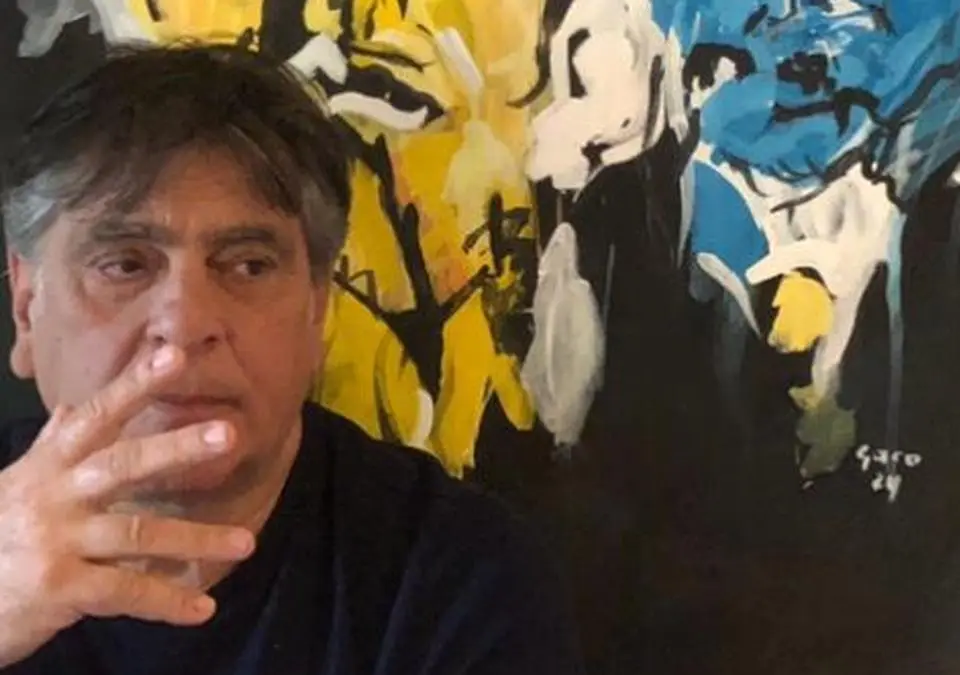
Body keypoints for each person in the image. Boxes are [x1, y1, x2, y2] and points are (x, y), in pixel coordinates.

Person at [0, 43, 584, 675]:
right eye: (124, 264)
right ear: (26, 308)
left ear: (316, 309)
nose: (185, 325)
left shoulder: (458, 582)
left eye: (249, 265)